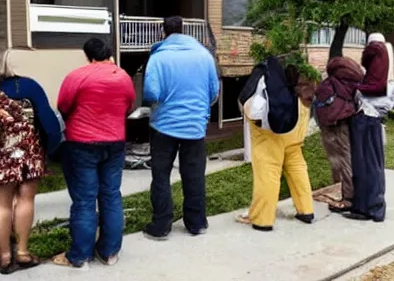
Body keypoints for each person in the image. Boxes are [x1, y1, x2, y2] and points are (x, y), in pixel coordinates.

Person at [53, 39, 135, 269]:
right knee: (110, 195)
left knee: (85, 200)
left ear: (87, 55)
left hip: (82, 144)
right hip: (115, 142)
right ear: (109, 54)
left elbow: (64, 106)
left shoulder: (76, 76)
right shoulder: (123, 76)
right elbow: (127, 105)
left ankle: (79, 256)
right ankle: (109, 252)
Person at [142, 16, 219, 240]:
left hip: (163, 126)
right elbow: (214, 93)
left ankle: (161, 226)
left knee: (161, 176)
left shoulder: (159, 57)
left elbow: (151, 93)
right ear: (184, 30)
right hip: (195, 127)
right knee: (194, 175)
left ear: (163, 32)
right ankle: (196, 223)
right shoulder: (204, 56)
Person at [0, 50, 64, 274]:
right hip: (29, 153)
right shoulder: (28, 86)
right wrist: (48, 151)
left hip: (2, 155)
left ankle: (5, 257)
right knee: (26, 199)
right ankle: (23, 253)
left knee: (2, 205)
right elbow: (51, 126)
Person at [237, 58, 314, 231]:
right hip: (294, 127)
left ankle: (262, 219)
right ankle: (306, 210)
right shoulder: (299, 70)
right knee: (297, 168)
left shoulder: (264, 69)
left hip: (270, 133)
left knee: (268, 174)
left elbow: (245, 98)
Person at [345, 33, 389, 222]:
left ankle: (366, 208)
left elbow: (373, 85)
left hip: (365, 116)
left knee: (363, 164)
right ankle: (375, 206)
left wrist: (356, 88)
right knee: (375, 164)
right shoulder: (385, 56)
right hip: (375, 117)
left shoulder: (373, 53)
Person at [315, 56, 364, 213]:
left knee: (338, 160)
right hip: (346, 121)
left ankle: (345, 197)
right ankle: (351, 192)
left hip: (331, 126)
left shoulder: (328, 83)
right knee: (347, 157)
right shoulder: (351, 83)